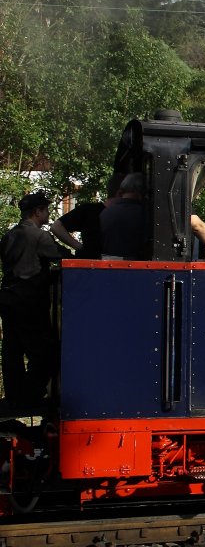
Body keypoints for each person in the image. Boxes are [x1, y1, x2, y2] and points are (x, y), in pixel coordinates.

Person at [0, 191, 71, 412]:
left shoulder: (9, 236)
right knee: (46, 353)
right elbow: (61, 257)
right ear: (37, 212)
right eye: (46, 209)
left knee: (12, 351)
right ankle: (29, 396)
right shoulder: (39, 237)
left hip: (8, 298)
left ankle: (14, 397)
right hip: (30, 301)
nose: (48, 213)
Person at [49, 172, 124, 259]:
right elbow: (56, 227)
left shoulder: (89, 210)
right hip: (91, 265)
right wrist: (80, 247)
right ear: (120, 193)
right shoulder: (89, 210)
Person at [100, 173, 146, 260]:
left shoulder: (106, 212)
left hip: (107, 263)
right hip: (132, 266)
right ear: (139, 190)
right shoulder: (142, 213)